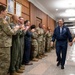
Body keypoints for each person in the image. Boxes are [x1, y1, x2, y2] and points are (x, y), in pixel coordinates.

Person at [0, 5, 19, 75]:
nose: (7, 12)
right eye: (6, 11)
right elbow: (11, 32)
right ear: (2, 11)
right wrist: (16, 28)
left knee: (1, 62)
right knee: (5, 63)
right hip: (4, 44)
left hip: (2, 44)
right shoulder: (3, 21)